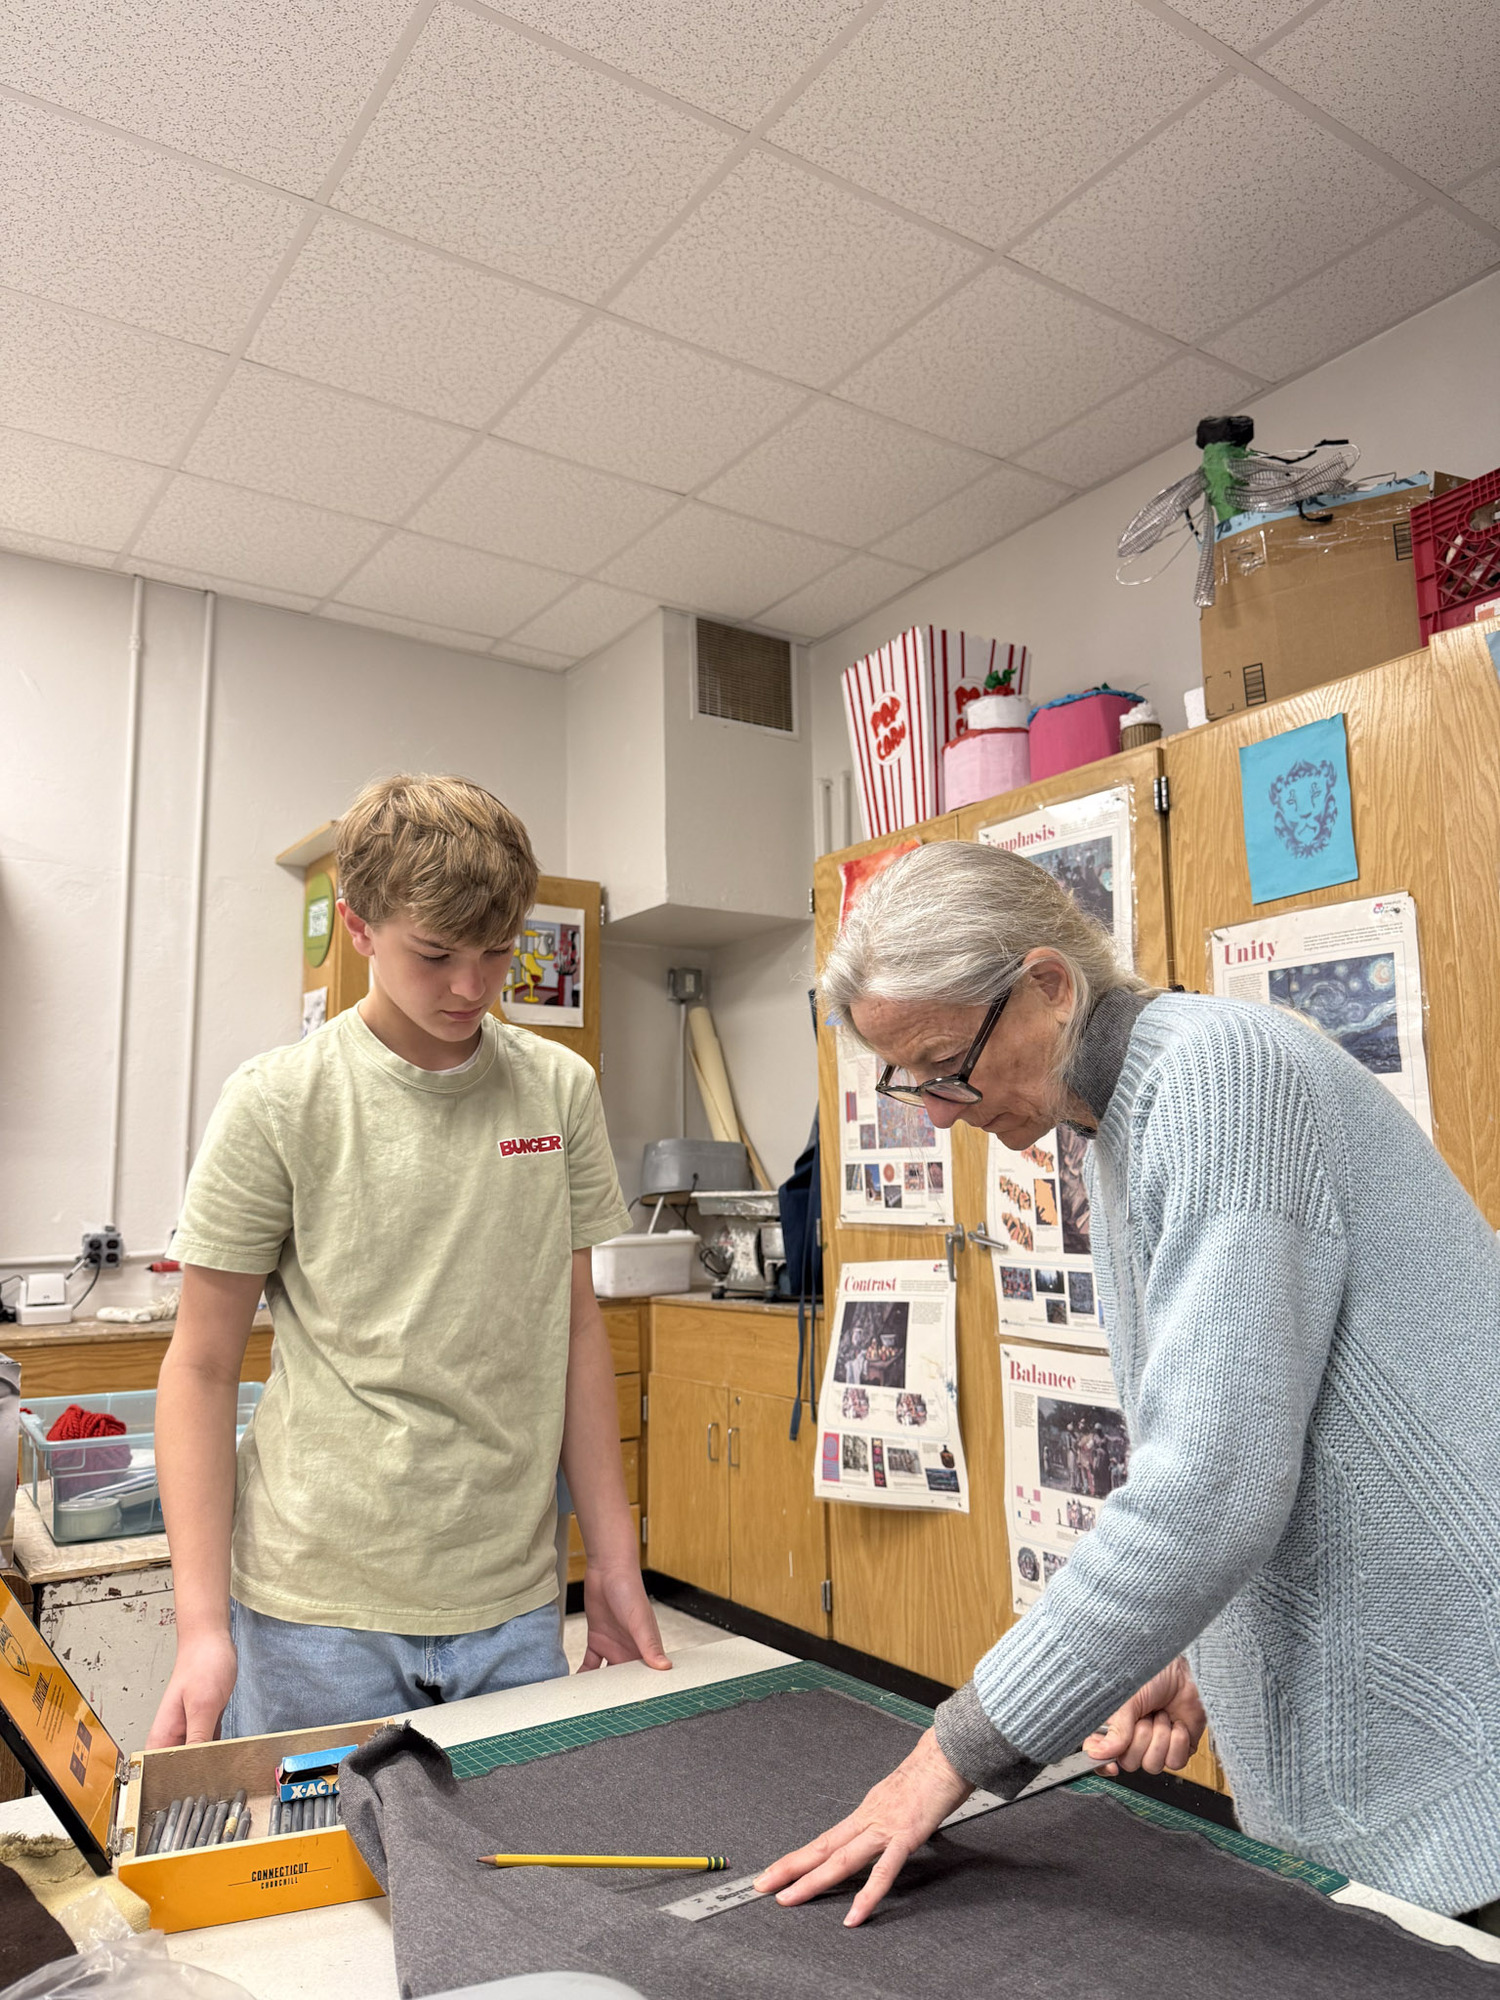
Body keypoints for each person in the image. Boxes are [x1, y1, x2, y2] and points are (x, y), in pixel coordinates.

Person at [757, 839, 1500, 1925]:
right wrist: (1200, 1655)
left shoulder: (1216, 1077)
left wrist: (949, 1752)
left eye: (945, 1062)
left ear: (1049, 986)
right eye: (909, 1078)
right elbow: (1277, 1425)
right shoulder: (1123, 1118)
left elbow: (1209, 1488)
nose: (942, 1110)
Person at [148, 774, 666, 1747]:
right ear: (359, 927)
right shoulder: (276, 1102)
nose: (473, 986)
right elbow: (201, 1366)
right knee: (319, 1890)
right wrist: (203, 1624)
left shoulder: (559, 1088)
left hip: (510, 1602)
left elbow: (576, 1331)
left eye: (498, 951)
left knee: (504, 1883)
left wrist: (613, 1557)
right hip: (317, 1613)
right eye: (435, 954)